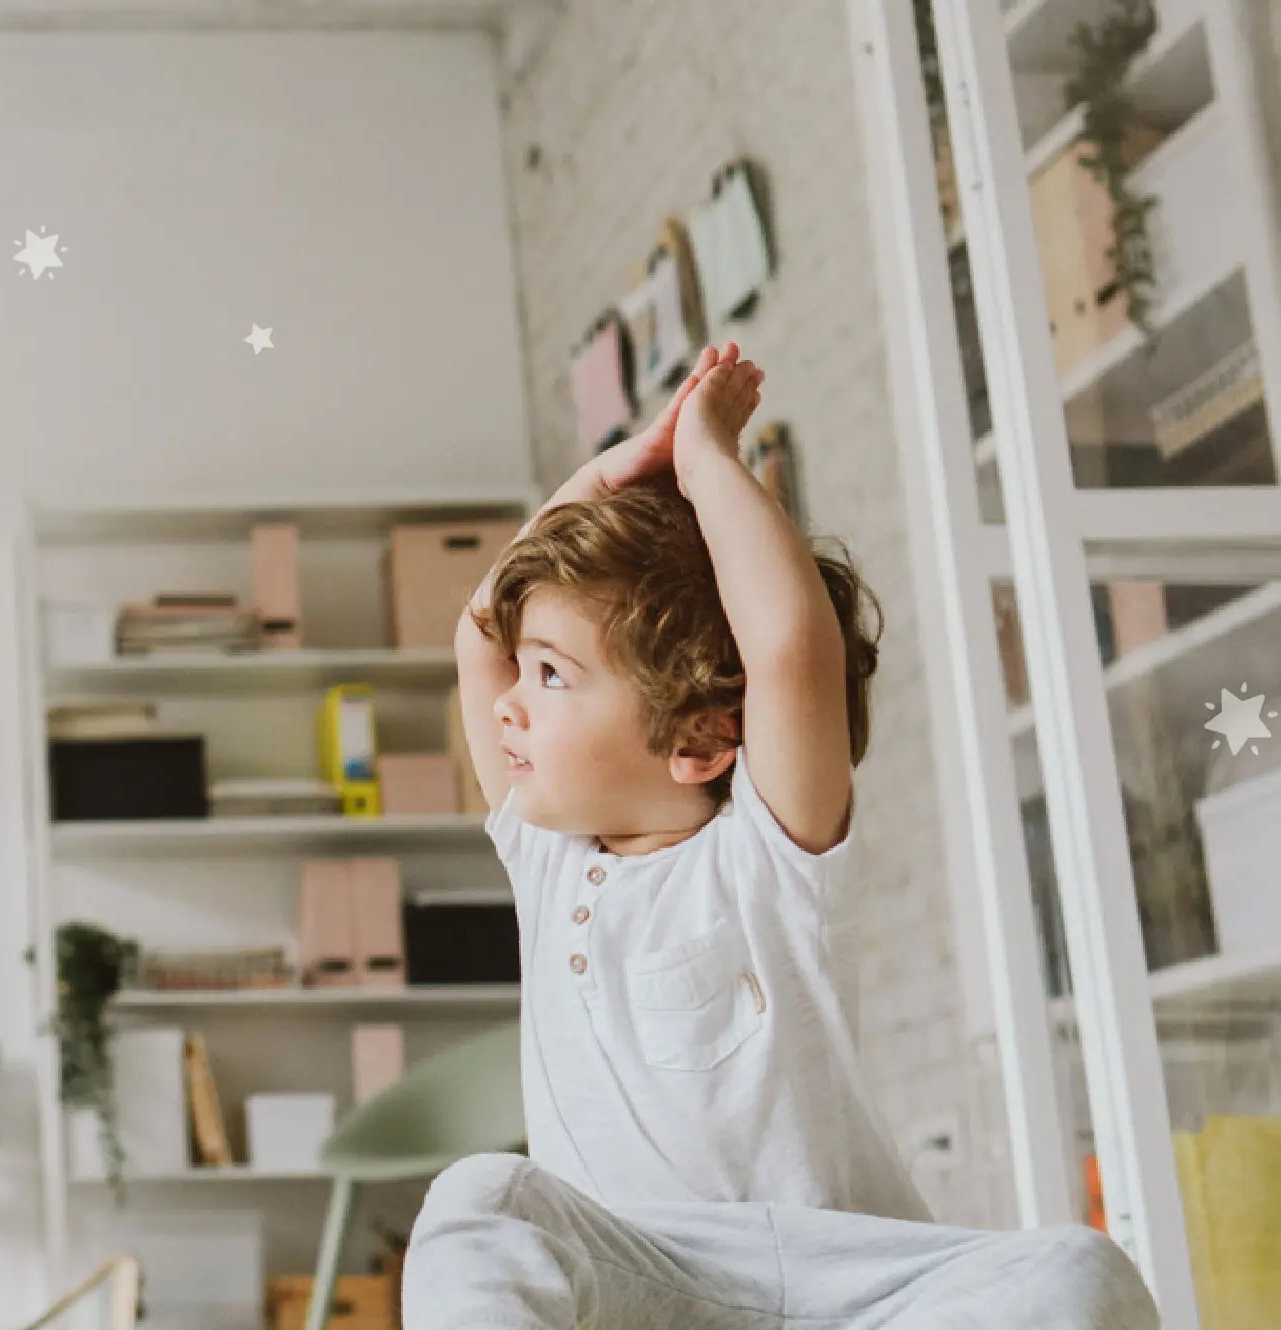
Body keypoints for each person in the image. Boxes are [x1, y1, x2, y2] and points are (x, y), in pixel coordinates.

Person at [407, 342, 1155, 1329]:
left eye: (550, 675)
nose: (506, 702)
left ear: (701, 738)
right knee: (479, 1196)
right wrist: (629, 460)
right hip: (647, 1287)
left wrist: (708, 459)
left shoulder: (767, 858)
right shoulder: (548, 855)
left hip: (849, 1283)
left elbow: (792, 647)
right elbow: (476, 626)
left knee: (1076, 1271)